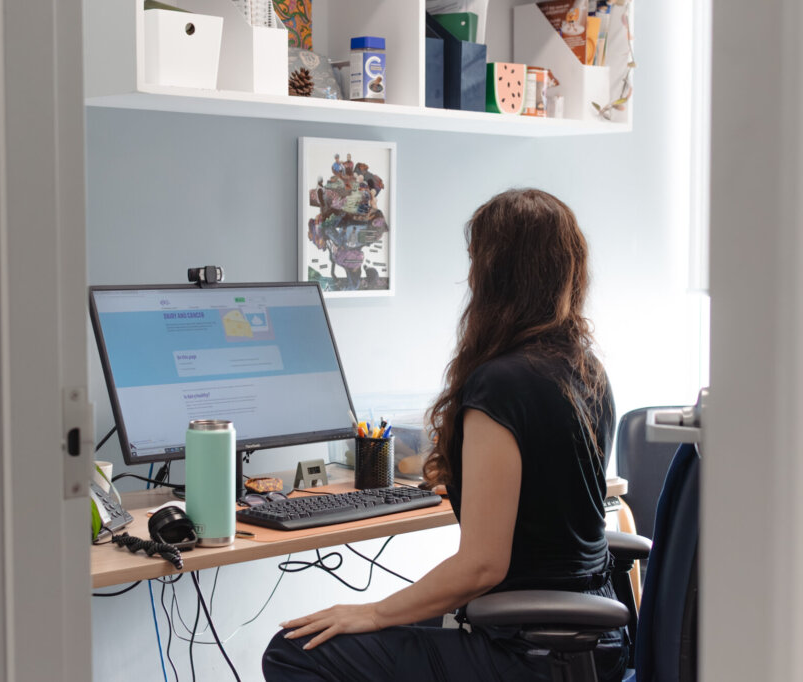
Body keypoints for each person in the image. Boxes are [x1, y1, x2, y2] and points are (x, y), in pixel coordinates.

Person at [262, 189, 627, 681]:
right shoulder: (587, 370)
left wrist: (372, 611)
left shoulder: (500, 383)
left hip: (530, 653)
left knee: (292, 650)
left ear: (491, 275)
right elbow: (549, 494)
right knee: (418, 613)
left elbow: (482, 567)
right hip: (596, 641)